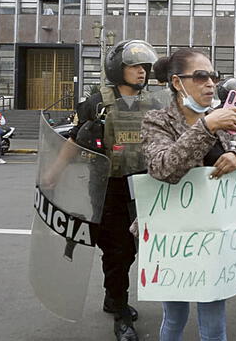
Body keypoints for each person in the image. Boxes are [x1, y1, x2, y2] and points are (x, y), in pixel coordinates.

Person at [48, 39, 160, 341]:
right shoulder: (97, 101)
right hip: (107, 188)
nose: (142, 72)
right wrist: (53, 173)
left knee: (132, 251)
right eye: (134, 66)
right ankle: (120, 311)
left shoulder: (154, 102)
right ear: (117, 69)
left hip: (144, 188)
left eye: (144, 67)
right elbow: (76, 138)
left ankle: (113, 297)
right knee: (116, 250)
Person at [141, 48, 236, 341]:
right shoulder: (157, 121)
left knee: (214, 324)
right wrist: (206, 126)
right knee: (175, 317)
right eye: (201, 76)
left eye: (213, 76)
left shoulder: (221, 118)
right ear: (177, 83)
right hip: (172, 240)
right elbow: (163, 167)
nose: (211, 84)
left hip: (213, 239)